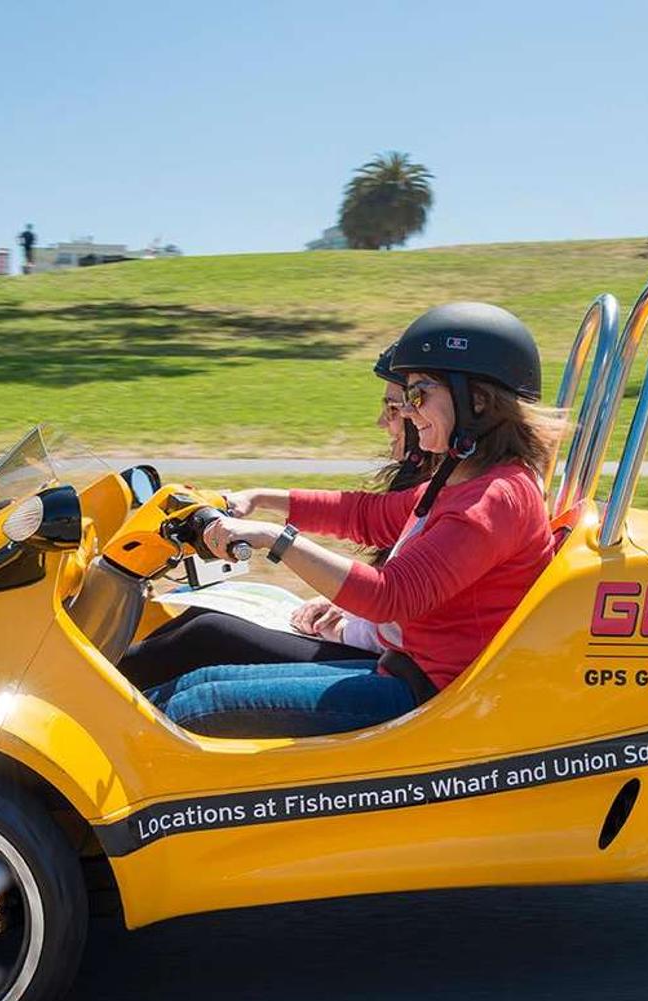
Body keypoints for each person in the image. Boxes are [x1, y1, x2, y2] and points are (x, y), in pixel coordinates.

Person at [140, 302, 560, 738]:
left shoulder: (494, 498)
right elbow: (367, 515)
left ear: (475, 400)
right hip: (405, 674)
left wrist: (274, 539)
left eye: (418, 395)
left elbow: (390, 596)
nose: (409, 413)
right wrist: (260, 499)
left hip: (432, 700)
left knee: (198, 706)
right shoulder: (463, 480)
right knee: (197, 683)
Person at [117, 346, 429, 687]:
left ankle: (93, 703)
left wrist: (346, 622)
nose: (382, 421)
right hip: (370, 638)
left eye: (393, 408)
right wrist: (258, 498)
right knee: (193, 612)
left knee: (206, 635)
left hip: (385, 664)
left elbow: (394, 603)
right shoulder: (434, 491)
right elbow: (358, 514)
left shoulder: (456, 502)